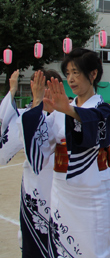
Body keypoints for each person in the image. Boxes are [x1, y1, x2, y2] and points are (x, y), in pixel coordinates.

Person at [21, 48, 110, 257]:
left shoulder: (103, 108)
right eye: (68, 74)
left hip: (92, 192)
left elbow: (101, 130)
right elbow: (43, 145)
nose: (71, 79)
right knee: (61, 246)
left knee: (93, 248)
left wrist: (69, 111)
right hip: (62, 190)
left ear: (93, 74)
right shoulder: (62, 108)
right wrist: (38, 106)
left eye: (76, 72)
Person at [0, 69, 62, 257]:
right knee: (33, 234)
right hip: (35, 183)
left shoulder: (67, 114)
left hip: (62, 182)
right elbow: (4, 124)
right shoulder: (26, 115)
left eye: (47, 86)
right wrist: (11, 91)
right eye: (38, 87)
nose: (43, 92)